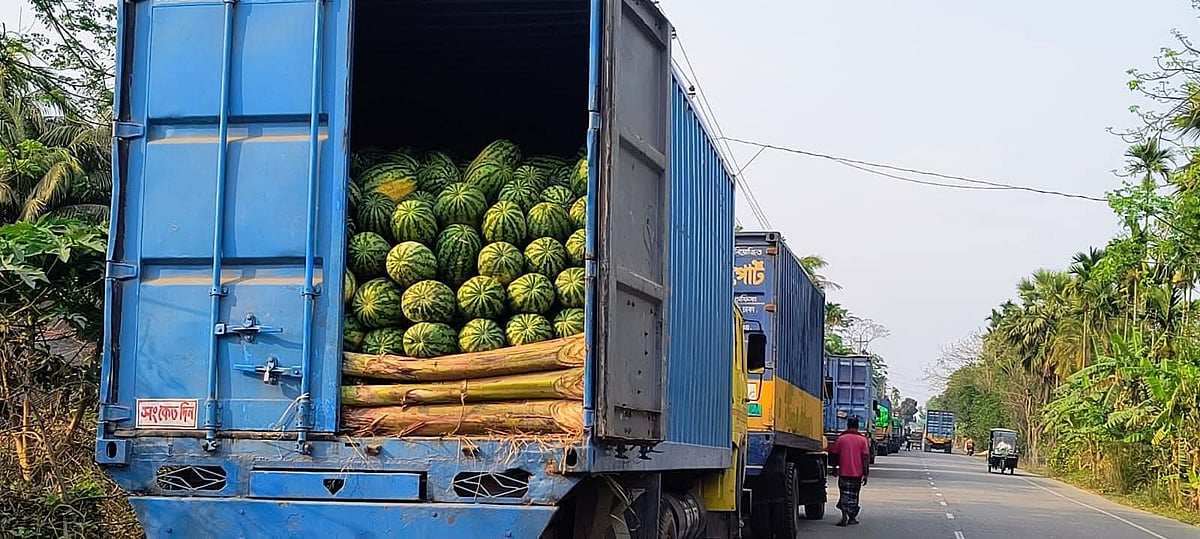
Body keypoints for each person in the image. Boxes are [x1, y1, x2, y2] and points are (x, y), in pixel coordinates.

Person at [827, 416, 871, 526]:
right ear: (857, 426)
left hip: (843, 473)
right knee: (854, 495)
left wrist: (834, 469)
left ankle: (844, 517)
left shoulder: (841, 439)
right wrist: (865, 474)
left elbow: (834, 455)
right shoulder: (862, 440)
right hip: (857, 473)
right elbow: (865, 457)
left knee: (844, 494)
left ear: (847, 425)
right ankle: (852, 518)